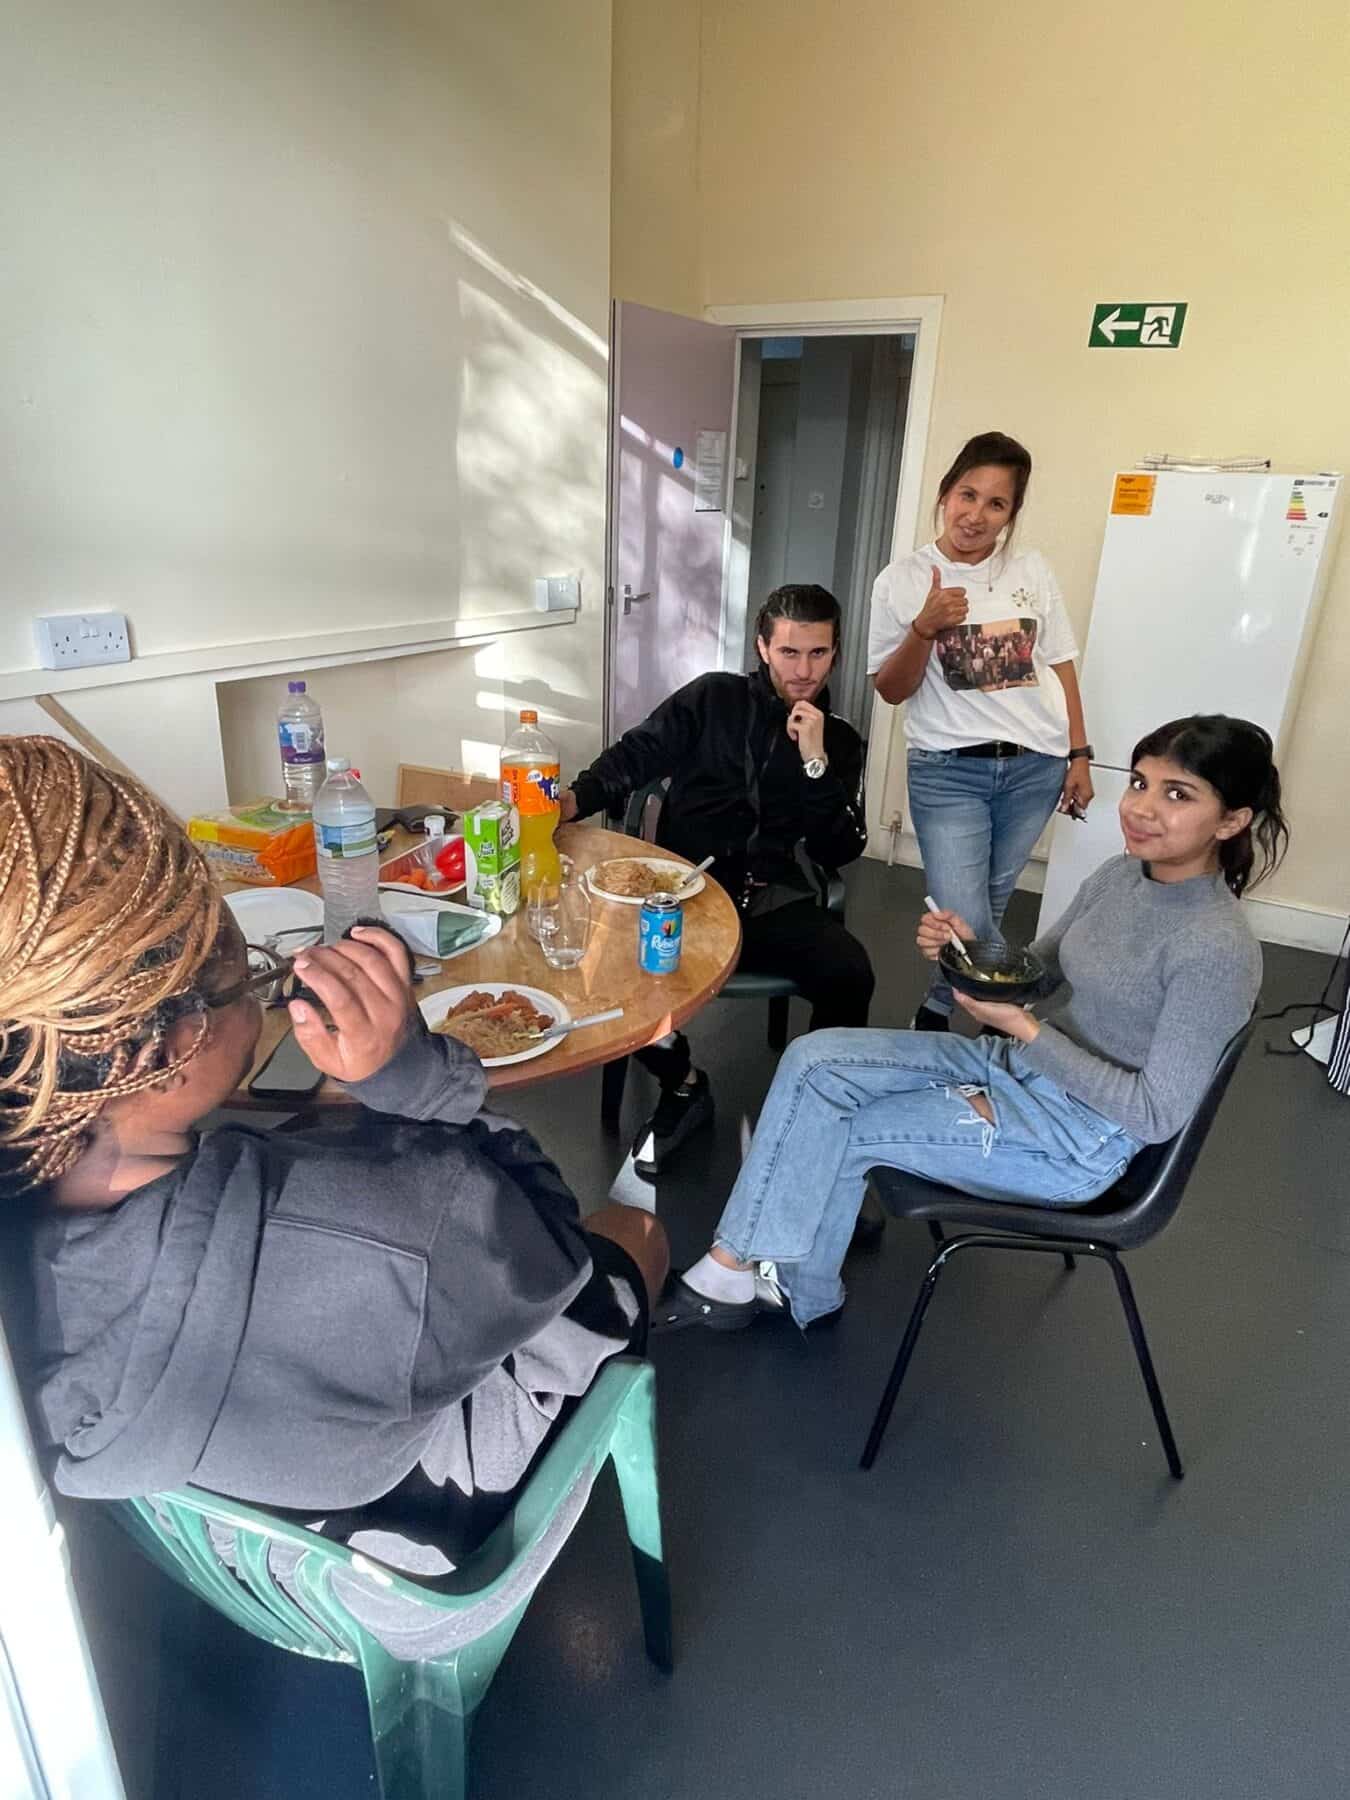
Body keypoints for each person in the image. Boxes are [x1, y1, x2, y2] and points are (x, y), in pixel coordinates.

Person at [0, 735, 667, 1586]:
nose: (266, 979)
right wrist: (415, 1080)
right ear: (176, 1036)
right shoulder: (396, 1232)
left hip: (227, 1552)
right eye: (251, 971)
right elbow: (547, 1247)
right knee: (631, 1235)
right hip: (397, 1546)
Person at [654, 715, 1285, 1333]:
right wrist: (968, 950)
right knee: (814, 1058)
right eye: (1140, 782)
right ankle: (755, 1257)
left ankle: (781, 1285)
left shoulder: (1215, 949)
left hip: (1077, 1139)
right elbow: (1036, 974)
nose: (1142, 808)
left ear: (1233, 820)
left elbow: (1154, 1115)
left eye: (1178, 794)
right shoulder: (1122, 875)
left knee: (846, 1126)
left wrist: (1027, 1030)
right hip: (1020, 1067)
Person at [562, 584, 873, 1177]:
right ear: (762, 647)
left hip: (770, 899)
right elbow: (636, 756)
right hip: (686, 895)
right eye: (789, 653)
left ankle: (815, 1112)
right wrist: (572, 801)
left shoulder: (840, 740)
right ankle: (683, 1083)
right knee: (614, 975)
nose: (803, 670)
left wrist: (815, 760)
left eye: (817, 653)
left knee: (851, 971)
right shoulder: (712, 699)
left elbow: (841, 847)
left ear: (835, 653)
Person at [869, 431, 1093, 1031]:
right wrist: (923, 629)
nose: (977, 515)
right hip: (949, 771)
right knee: (963, 910)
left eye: (997, 504)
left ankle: (938, 1010)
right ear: (945, 494)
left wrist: (1078, 755)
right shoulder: (902, 580)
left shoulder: (1031, 570)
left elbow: (1062, 664)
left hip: (1035, 766)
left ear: (1011, 514)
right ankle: (1023, 1014)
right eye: (967, 495)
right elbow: (890, 690)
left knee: (992, 897)